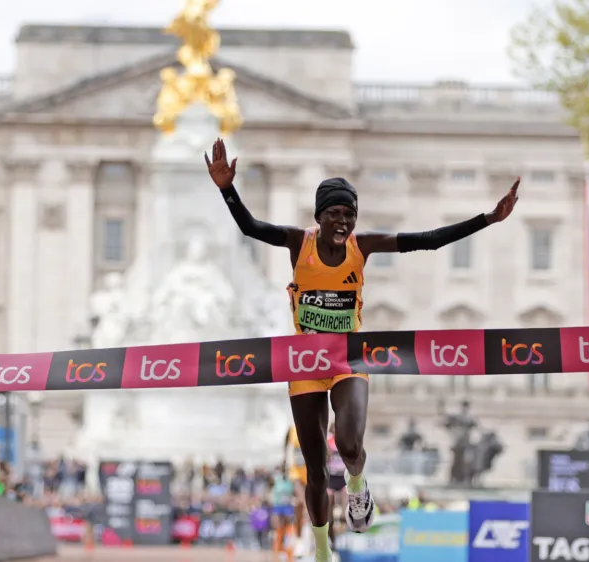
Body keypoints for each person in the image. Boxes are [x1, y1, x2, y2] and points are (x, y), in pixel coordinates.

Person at [206, 138, 520, 562]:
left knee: (350, 445)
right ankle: (321, 550)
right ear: (319, 217)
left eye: (349, 215)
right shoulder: (299, 243)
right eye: (335, 214)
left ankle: (357, 486)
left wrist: (488, 218)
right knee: (315, 472)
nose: (343, 222)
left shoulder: (362, 246)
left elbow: (427, 239)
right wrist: (227, 188)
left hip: (348, 360)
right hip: (304, 365)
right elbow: (251, 228)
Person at [270, 465, 297, 562]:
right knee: (279, 530)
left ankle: (288, 553)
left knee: (288, 530)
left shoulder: (291, 481)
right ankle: (279, 551)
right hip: (278, 507)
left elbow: (294, 493)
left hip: (288, 507)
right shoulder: (277, 480)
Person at [325, 422, 346, 546]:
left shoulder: (345, 441)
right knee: (329, 514)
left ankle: (341, 536)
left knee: (344, 512)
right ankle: (331, 538)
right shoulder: (328, 441)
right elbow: (326, 456)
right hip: (331, 479)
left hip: (343, 478)